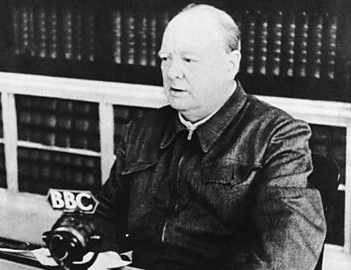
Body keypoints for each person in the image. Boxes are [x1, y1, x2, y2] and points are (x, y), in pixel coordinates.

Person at [94, 3, 326, 270]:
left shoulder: (277, 136)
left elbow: (286, 253)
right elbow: (105, 214)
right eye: (165, 58)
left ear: (230, 65)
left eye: (189, 60)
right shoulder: (143, 130)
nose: (172, 72)